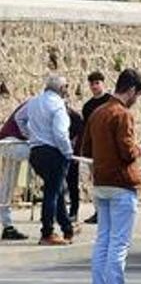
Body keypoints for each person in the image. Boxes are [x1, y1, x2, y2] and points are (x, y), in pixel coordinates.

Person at [81, 68, 141, 284]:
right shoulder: (122, 114)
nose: (136, 100)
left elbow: (86, 148)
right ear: (131, 90)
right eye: (137, 95)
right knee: (119, 244)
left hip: (101, 181)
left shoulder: (97, 112)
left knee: (103, 241)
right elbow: (127, 152)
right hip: (122, 184)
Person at [17, 77, 76, 245]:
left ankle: (67, 228)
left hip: (36, 152)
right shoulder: (58, 106)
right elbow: (60, 133)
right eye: (66, 86)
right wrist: (67, 152)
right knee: (52, 192)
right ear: (61, 88)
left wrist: (30, 135)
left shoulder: (34, 102)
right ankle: (47, 232)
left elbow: (19, 118)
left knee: (56, 189)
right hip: (53, 152)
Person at [79, 71, 112, 225]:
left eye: (97, 83)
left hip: (110, 147)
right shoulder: (87, 107)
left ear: (103, 84)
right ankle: (99, 211)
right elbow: (86, 128)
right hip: (94, 149)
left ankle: (111, 211)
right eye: (92, 84)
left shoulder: (111, 101)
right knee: (96, 181)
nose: (95, 86)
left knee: (110, 181)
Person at [0, 101, 31, 241]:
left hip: (12, 143)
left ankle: (7, 225)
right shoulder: (37, 105)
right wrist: (30, 136)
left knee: (7, 185)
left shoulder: (36, 103)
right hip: (13, 144)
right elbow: (19, 118)